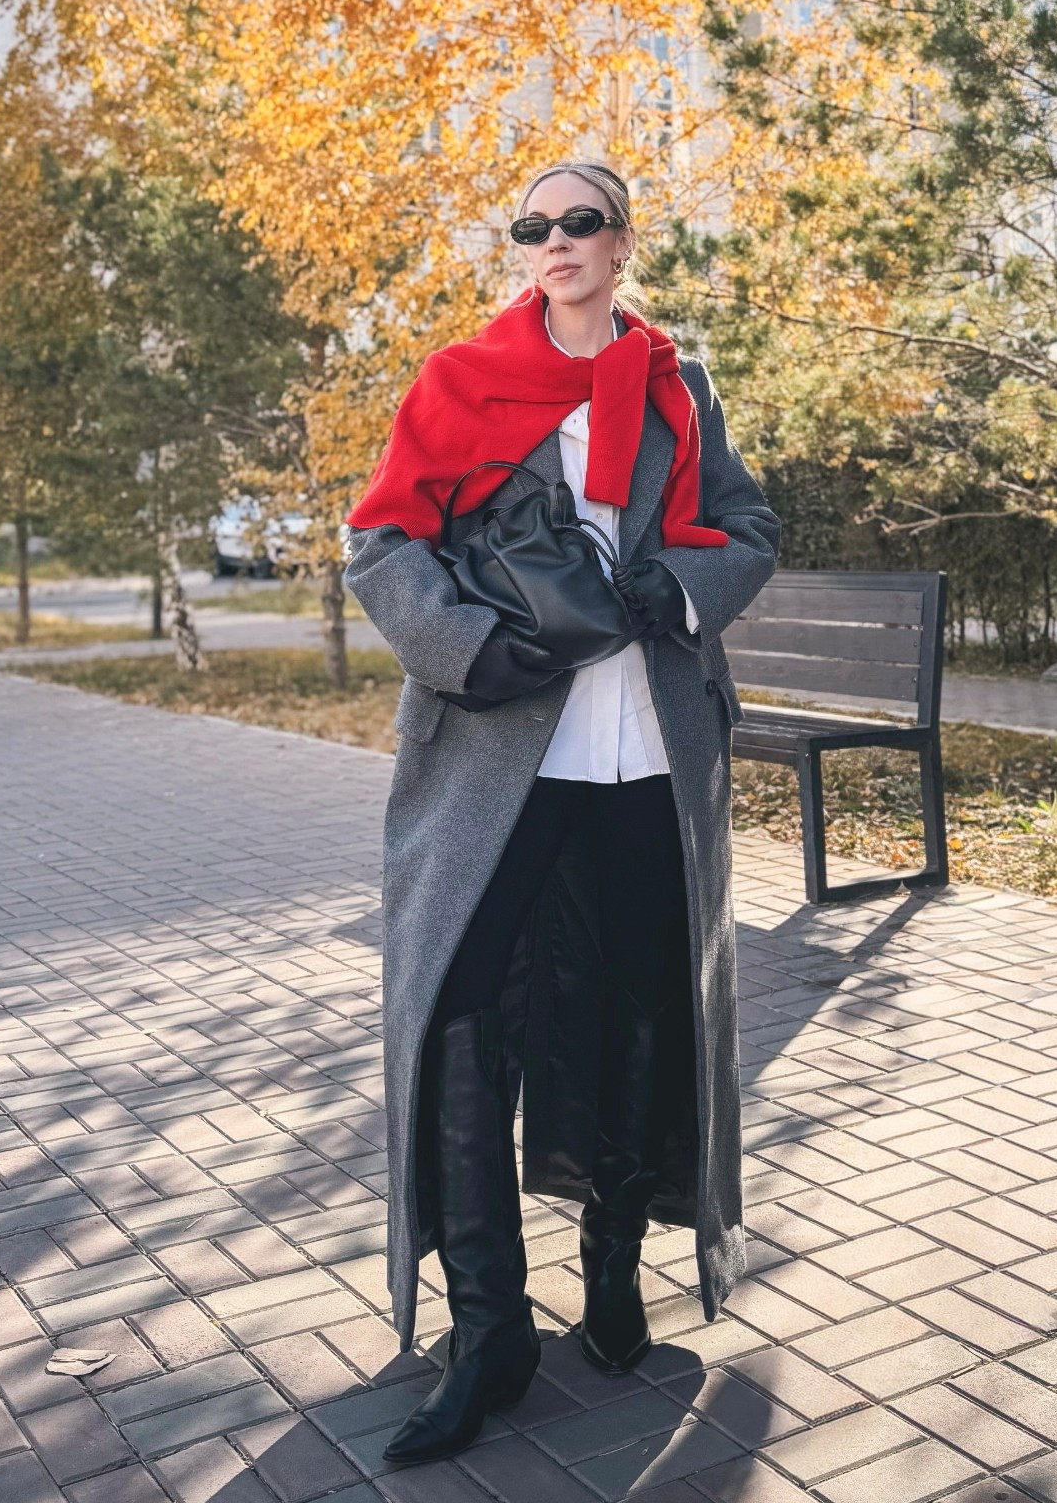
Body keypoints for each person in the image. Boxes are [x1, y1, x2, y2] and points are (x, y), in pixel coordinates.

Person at [345, 160, 781, 1468]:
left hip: (647, 753)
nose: (552, 242)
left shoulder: (674, 380)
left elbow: (749, 525)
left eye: (577, 222)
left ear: (620, 240)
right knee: (467, 1016)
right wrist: (468, 648)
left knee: (639, 1011)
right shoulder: (459, 380)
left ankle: (610, 1281)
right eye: (531, 227)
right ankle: (488, 1331)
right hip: (498, 756)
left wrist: (681, 589)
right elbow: (381, 545)